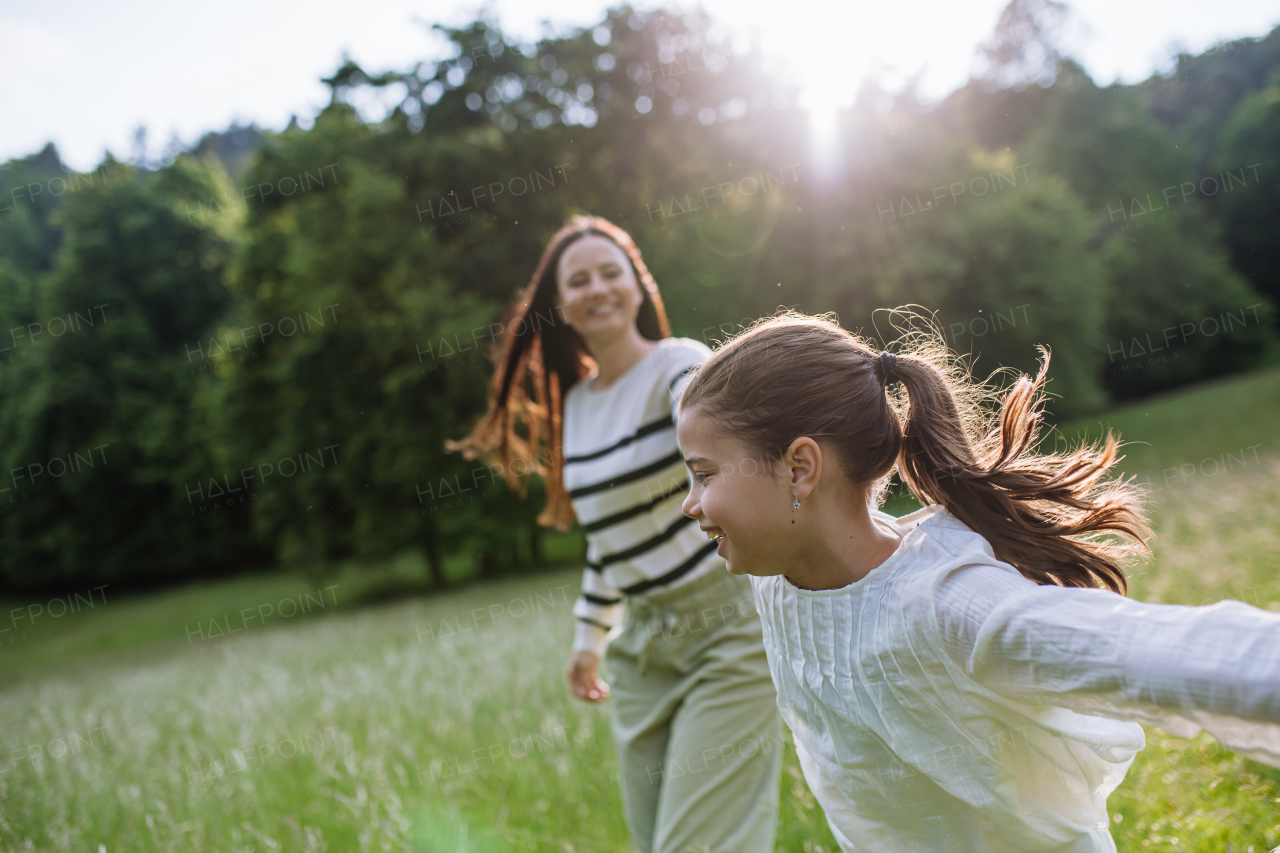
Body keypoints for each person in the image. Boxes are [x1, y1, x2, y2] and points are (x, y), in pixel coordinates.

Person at [675, 310, 1280, 852]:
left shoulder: (944, 601)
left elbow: (1151, 651)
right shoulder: (778, 579)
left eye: (703, 474)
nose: (690, 504)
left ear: (799, 469)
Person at [448, 216, 782, 853]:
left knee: (703, 845)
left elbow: (718, 426)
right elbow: (608, 534)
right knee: (655, 842)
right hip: (643, 646)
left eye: (611, 272)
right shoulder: (578, 405)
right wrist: (589, 636)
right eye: (579, 280)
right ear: (559, 305)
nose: (597, 287)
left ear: (638, 285)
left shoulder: (678, 367)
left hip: (729, 635)